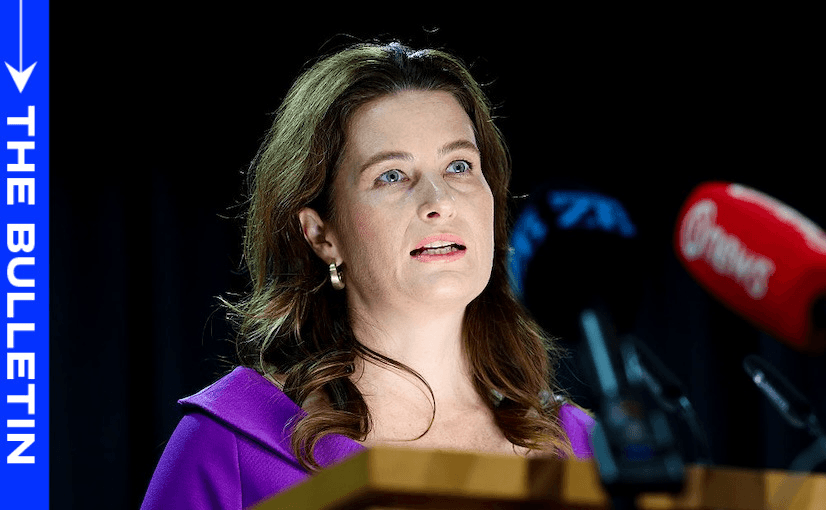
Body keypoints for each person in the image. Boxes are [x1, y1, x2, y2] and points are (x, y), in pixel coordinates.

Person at [141, 40, 594, 509]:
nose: (440, 202)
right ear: (322, 235)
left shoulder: (585, 449)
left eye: (459, 166)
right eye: (392, 175)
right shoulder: (229, 445)